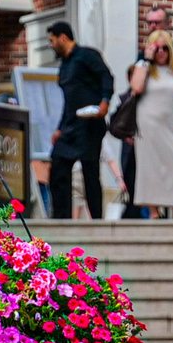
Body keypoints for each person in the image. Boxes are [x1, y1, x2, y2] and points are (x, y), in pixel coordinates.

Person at [47, 23, 113, 220]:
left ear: (63, 37)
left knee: (90, 171)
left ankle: (97, 219)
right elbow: (69, 102)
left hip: (90, 123)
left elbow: (106, 76)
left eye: (52, 40)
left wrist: (105, 101)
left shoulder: (87, 55)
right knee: (58, 164)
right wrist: (60, 129)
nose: (50, 45)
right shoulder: (64, 66)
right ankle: (61, 218)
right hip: (71, 125)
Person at [125, 30, 173, 219]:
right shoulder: (142, 68)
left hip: (171, 127)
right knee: (150, 168)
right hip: (148, 126)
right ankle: (154, 212)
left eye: (165, 48)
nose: (161, 52)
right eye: (157, 48)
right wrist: (146, 60)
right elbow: (135, 88)